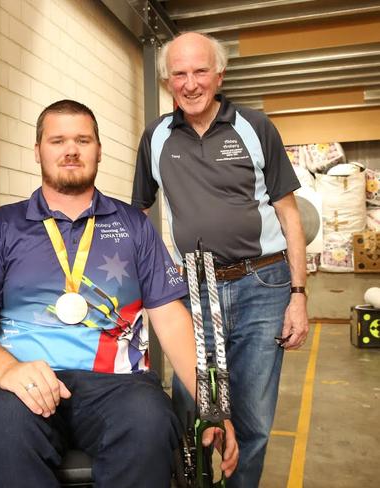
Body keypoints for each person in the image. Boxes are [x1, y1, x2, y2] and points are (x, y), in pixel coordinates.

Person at [0, 99, 237, 488]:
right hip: (24, 380)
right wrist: (6, 371)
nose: (70, 150)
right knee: (6, 433)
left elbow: (170, 318)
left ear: (99, 150)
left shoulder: (135, 225)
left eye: (82, 140)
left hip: (119, 385)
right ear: (37, 151)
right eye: (58, 140)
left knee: (151, 421)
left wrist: (213, 407)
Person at [131, 32, 309, 488]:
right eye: (179, 74)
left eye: (200, 71)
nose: (190, 84)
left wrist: (299, 295)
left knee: (252, 420)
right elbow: (137, 216)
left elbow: (290, 216)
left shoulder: (255, 127)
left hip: (261, 287)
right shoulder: (155, 136)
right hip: (190, 290)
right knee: (191, 413)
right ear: (168, 81)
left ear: (219, 74)